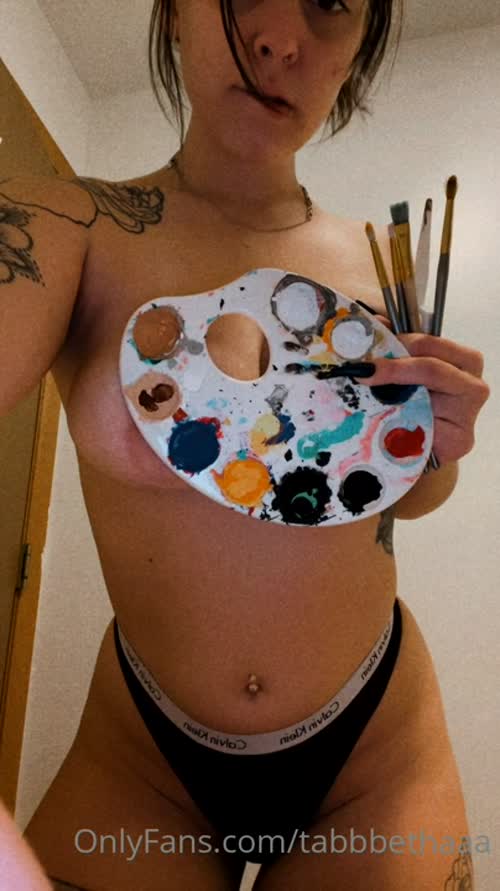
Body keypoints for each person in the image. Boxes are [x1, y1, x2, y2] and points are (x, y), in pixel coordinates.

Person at [0, 0, 489, 888]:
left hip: (374, 760)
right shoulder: (72, 228)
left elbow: (412, 494)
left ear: (359, 46)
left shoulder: (382, 264)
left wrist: (439, 447)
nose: (279, 38)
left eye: (330, 3)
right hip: (144, 764)